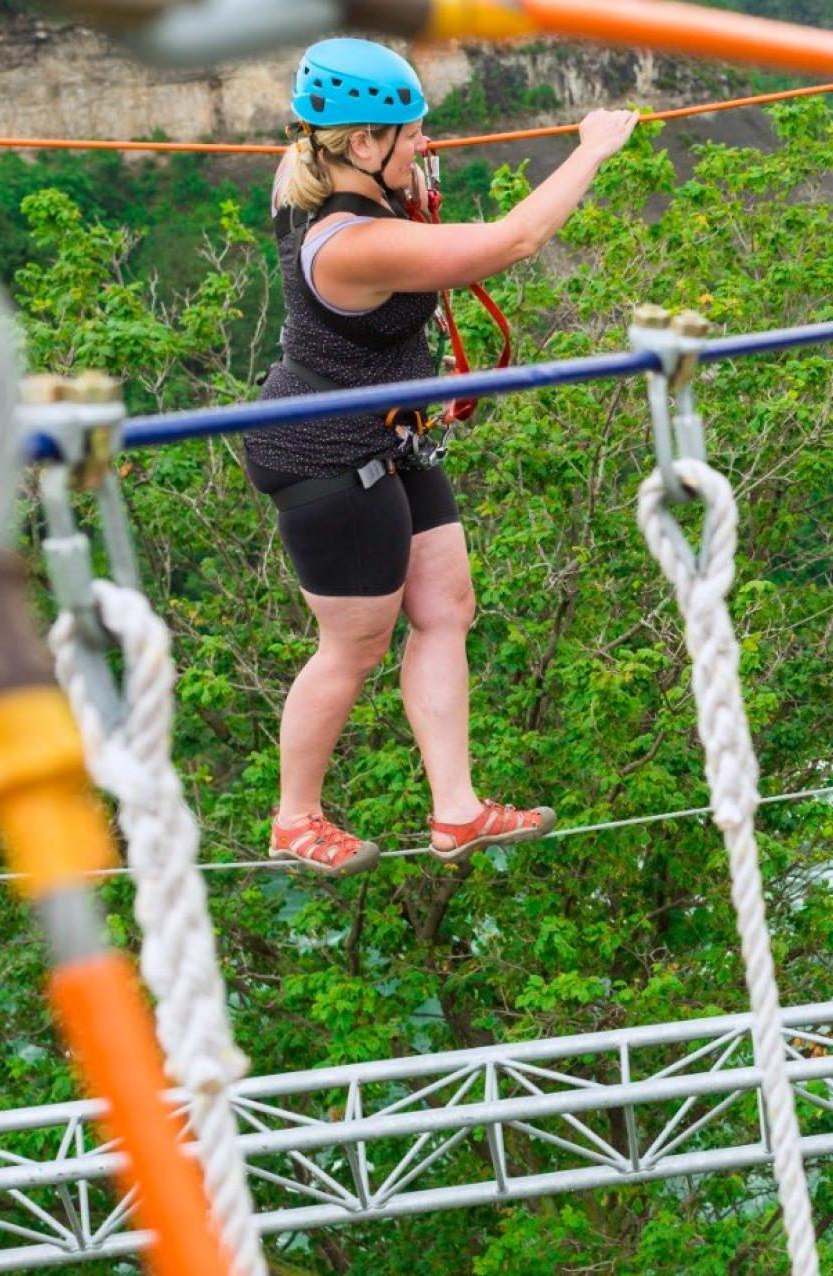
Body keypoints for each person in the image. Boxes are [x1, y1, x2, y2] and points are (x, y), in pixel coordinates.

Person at [252, 37, 637, 875]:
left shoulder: (328, 176)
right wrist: (592, 150)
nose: (426, 142)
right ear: (362, 143)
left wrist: (407, 175)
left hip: (389, 435)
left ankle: (457, 811)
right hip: (325, 450)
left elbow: (344, 160)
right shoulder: (349, 243)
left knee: (446, 606)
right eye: (412, 132)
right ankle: (294, 818)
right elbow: (512, 243)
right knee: (353, 646)